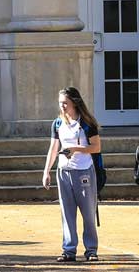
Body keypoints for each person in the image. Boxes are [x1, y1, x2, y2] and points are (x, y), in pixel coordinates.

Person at [41, 87, 102, 263]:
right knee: (67, 213)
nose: (62, 106)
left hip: (83, 171)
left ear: (74, 102)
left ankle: (91, 250)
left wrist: (75, 149)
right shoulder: (58, 123)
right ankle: (69, 250)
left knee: (88, 212)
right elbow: (53, 148)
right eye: (60, 103)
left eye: (65, 103)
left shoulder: (87, 123)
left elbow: (96, 147)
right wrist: (46, 171)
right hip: (64, 171)